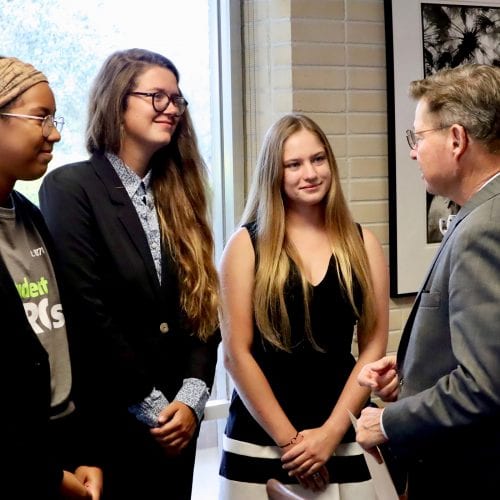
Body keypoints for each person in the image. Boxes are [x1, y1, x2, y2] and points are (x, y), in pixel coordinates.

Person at [38, 48, 220, 500]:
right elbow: (87, 311)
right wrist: (155, 407)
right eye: (156, 96)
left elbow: (203, 308)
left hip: (179, 430)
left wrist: (192, 400)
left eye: (177, 99)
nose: (171, 109)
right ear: (116, 101)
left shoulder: (181, 194)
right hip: (111, 429)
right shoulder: (70, 187)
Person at [218, 113, 389, 498]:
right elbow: (236, 355)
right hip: (260, 440)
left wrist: (328, 436)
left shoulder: (364, 244)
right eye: (293, 164)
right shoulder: (245, 246)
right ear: (273, 174)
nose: (309, 173)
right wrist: (292, 444)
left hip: (343, 437)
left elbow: (373, 348)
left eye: (318, 159)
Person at [356, 64, 500, 499]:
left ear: (457, 140)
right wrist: (414, 373)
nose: (414, 152)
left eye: (418, 138)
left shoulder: (483, 229)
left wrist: (386, 421)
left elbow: (485, 385)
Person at [0, 56, 102, 499]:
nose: (55, 134)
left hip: (64, 446)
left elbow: (64, 342)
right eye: (40, 118)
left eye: (54, 119)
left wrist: (85, 454)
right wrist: (45, 476)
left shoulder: (32, 218)